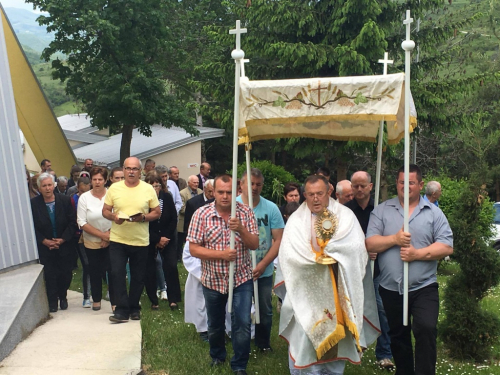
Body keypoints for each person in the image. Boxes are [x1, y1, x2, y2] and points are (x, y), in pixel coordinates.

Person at [276, 174, 379, 374]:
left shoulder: (345, 216)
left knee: (338, 338)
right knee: (305, 336)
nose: (315, 199)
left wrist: (333, 255)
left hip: (338, 290)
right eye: (311, 194)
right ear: (304, 195)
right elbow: (288, 254)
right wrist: (314, 261)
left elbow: (357, 247)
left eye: (320, 194)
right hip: (305, 291)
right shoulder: (296, 221)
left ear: (329, 192)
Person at [366, 164, 453, 375]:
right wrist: (395, 239)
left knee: (425, 328)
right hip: (390, 287)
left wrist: (417, 254)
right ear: (396, 183)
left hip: (424, 286)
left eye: (411, 183)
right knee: (398, 335)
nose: (406, 187)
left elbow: (446, 246)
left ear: (421, 185)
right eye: (402, 182)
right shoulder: (382, 210)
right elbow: (370, 243)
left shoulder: (434, 213)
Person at [188, 174, 259, 375]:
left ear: (236, 192)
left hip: (241, 278)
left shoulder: (245, 212)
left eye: (229, 192)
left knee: (243, 322)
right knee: (215, 324)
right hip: (212, 280)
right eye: (221, 192)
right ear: (213, 192)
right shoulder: (201, 214)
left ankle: (239, 365)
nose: (225, 196)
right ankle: (218, 356)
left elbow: (254, 244)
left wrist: (241, 230)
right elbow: (194, 249)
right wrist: (222, 255)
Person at [345, 171, 394, 370]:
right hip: (352, 270)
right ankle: (352, 347)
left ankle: (384, 353)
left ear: (370, 186)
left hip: (377, 270)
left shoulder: (380, 211)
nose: (358, 189)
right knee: (351, 309)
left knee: (381, 309)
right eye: (355, 186)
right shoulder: (345, 212)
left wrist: (377, 248)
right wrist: (365, 249)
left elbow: (388, 238)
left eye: (362, 185)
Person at [103, 157, 161, 322]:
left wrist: (143, 217)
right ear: (124, 169)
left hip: (140, 240)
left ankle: (134, 307)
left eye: (134, 169)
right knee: (117, 273)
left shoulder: (148, 189)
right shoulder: (114, 188)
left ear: (140, 171)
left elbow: (157, 212)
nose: (131, 172)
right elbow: (105, 210)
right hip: (118, 239)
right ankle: (121, 310)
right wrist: (114, 217)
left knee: (137, 276)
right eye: (128, 168)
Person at [237, 168, 284, 352]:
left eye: (258, 184)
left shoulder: (271, 208)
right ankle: (240, 342)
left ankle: (263, 343)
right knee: (240, 309)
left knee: (265, 309)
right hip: (240, 269)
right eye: (250, 183)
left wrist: (264, 264)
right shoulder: (233, 206)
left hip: (263, 269)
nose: (254, 188)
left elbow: (279, 239)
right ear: (241, 184)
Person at [31, 173, 77, 312]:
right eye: (44, 186)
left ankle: (62, 296)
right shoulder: (33, 204)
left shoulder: (65, 200)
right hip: (46, 246)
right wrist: (44, 241)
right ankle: (52, 301)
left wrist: (62, 239)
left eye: (49, 185)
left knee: (65, 273)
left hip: (64, 244)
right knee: (50, 274)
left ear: (54, 185)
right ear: (39, 188)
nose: (47, 188)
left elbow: (72, 222)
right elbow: (32, 226)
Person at [77, 167, 113, 311]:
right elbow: (81, 222)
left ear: (105, 180)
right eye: (94, 179)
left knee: (113, 270)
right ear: (91, 180)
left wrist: (108, 236)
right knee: (95, 270)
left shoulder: (111, 194)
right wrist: (101, 235)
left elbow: (118, 216)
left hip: (112, 238)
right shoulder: (84, 198)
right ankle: (96, 299)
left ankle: (115, 301)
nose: (97, 182)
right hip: (91, 240)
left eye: (100, 179)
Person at [144, 173, 180, 310]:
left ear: (161, 186)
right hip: (150, 238)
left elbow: (173, 219)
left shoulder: (167, 197)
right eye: (151, 186)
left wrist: (164, 238)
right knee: (150, 269)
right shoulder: (143, 201)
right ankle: (154, 300)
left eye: (156, 186)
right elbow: (143, 223)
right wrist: (156, 239)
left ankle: (173, 299)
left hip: (168, 238)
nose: (154, 189)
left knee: (170, 266)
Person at [70, 176, 92, 307]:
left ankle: (99, 293)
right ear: (78, 188)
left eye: (87, 191)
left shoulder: (93, 199)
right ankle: (86, 296)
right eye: (82, 192)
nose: (84, 194)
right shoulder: (72, 200)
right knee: (87, 265)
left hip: (95, 234)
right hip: (80, 237)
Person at [178, 175, 203, 261]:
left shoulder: (201, 192)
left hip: (199, 222)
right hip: (186, 220)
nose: (196, 184)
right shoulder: (182, 193)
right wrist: (195, 212)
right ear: (189, 183)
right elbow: (181, 208)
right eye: (194, 182)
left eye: (197, 182)